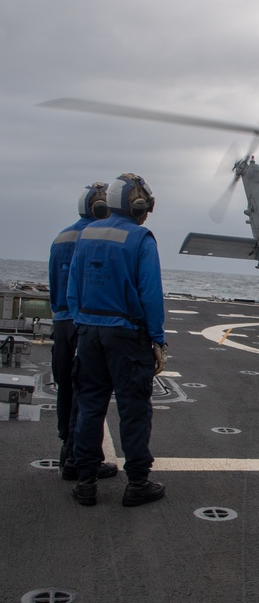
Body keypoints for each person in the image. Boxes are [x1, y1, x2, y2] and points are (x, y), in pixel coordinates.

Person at [67, 173, 168, 507]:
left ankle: (85, 482)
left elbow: (72, 290)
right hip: (126, 337)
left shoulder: (86, 235)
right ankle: (137, 483)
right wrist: (157, 339)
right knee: (134, 409)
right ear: (137, 204)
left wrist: (84, 323)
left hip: (89, 333)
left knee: (89, 406)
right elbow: (151, 294)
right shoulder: (140, 238)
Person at [47, 183, 119, 482]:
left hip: (61, 323)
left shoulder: (60, 237)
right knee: (88, 393)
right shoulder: (96, 238)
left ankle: (67, 449)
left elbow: (54, 284)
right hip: (84, 323)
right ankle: (80, 458)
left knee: (66, 387)